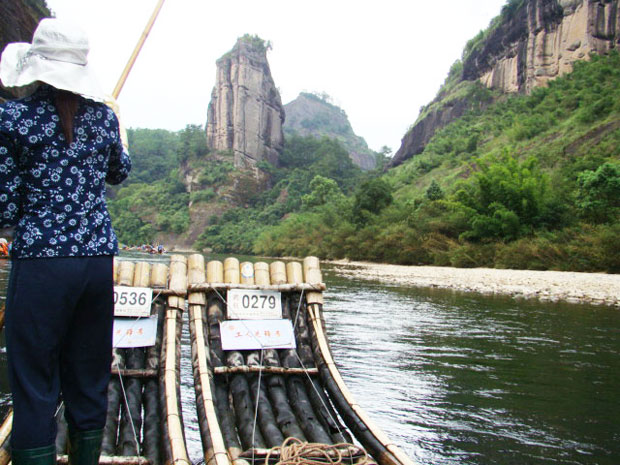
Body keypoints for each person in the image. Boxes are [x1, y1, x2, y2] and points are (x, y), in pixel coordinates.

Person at [0, 18, 131, 465]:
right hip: (96, 263)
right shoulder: (104, 118)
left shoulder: (11, 118)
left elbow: (5, 206)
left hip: (42, 262)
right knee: (89, 378)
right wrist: (119, 133)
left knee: (34, 384)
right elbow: (118, 172)